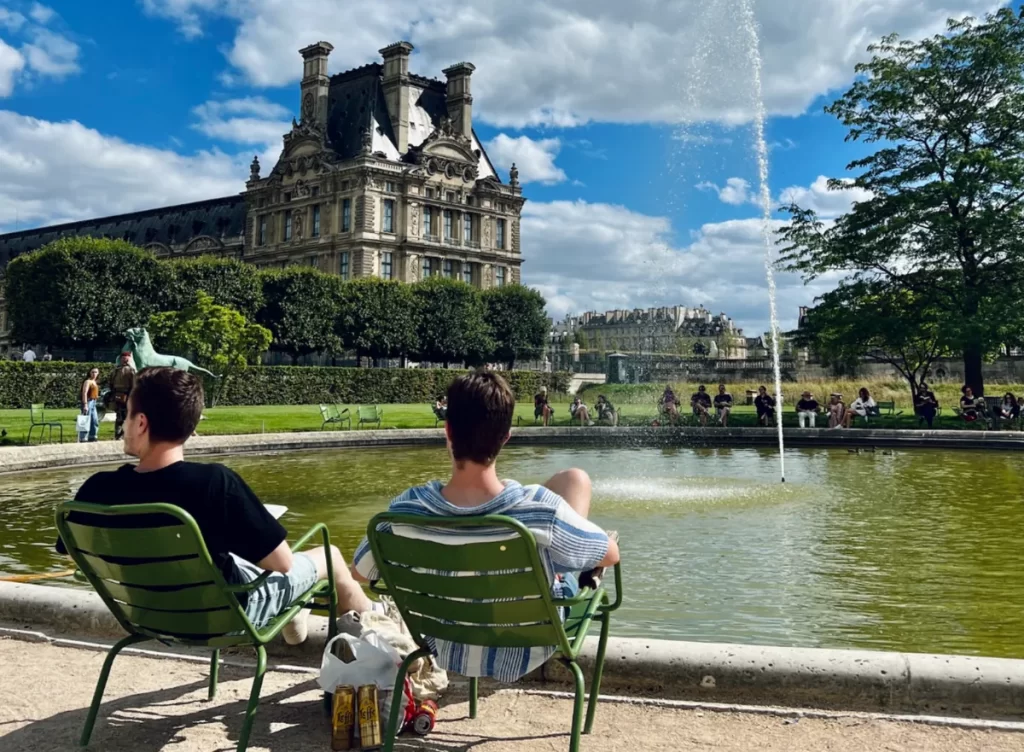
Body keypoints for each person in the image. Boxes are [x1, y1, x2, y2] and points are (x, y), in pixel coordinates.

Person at [55, 367, 372, 645]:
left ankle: (296, 616)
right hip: (224, 619)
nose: (124, 424)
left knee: (224, 552)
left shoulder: (97, 488)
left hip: (147, 616)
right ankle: (378, 631)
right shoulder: (215, 484)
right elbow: (282, 564)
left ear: (140, 423)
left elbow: (76, 551)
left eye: (126, 415)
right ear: (190, 426)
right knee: (328, 556)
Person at [351, 370, 620, 683]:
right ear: (506, 437)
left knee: (571, 485)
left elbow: (361, 572)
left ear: (448, 430)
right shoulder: (537, 508)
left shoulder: (405, 511)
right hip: (528, 645)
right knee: (574, 497)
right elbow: (610, 554)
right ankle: (555, 566)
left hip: (445, 645)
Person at [108, 351, 137, 440]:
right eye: (123, 358)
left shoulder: (131, 370)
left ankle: (124, 434)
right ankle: (118, 434)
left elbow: (134, 383)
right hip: (118, 395)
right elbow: (111, 382)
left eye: (126, 358)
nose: (125, 359)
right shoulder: (116, 370)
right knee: (119, 416)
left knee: (127, 416)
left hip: (127, 395)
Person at [79, 368, 101, 442]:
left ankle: (93, 436)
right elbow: (84, 393)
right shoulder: (88, 381)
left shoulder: (95, 382)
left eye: (96, 372)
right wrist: (85, 404)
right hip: (88, 402)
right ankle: (83, 437)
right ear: (90, 373)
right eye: (93, 372)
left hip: (94, 402)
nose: (94, 374)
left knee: (94, 420)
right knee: (85, 420)